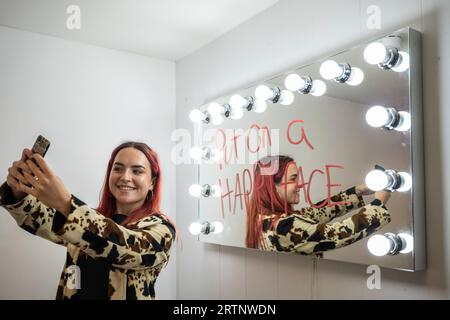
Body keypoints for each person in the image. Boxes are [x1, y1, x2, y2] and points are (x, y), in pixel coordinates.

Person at [0, 141, 176, 300]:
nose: (125, 177)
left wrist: (65, 203)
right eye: (118, 168)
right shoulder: (88, 219)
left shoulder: (161, 229)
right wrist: (19, 189)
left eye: (137, 171)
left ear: (152, 182)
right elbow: (38, 219)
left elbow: (125, 248)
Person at [245, 155, 391, 255]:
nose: (300, 184)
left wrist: (358, 191)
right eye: (293, 178)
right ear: (273, 186)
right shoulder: (284, 226)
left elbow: (316, 212)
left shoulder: (266, 218)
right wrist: (378, 204)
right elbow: (338, 235)